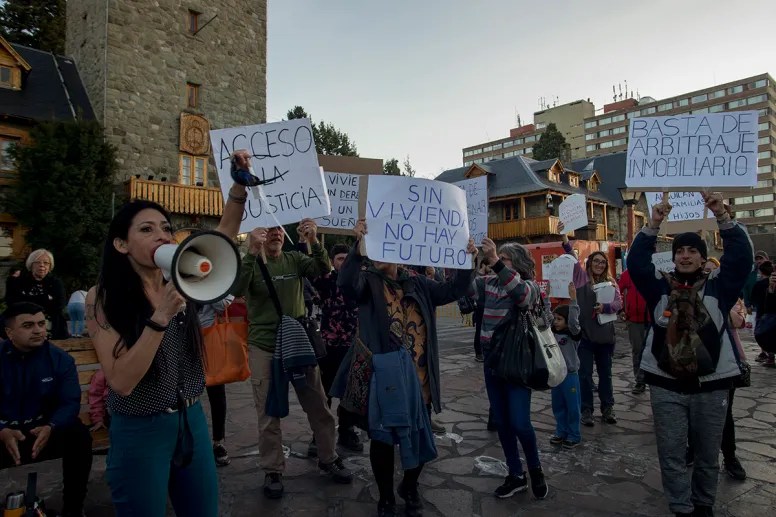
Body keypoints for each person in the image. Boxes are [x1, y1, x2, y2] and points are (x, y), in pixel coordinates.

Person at [84, 149, 247, 516]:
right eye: (146, 229)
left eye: (165, 228)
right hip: (140, 429)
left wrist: (238, 188)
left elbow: (221, 239)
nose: (161, 235)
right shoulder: (103, 298)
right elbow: (121, 381)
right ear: (121, 244)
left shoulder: (182, 277)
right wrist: (160, 316)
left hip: (191, 419)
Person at [331, 219, 476, 517]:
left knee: (421, 438)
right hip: (384, 380)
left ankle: (409, 486)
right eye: (377, 247)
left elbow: (454, 289)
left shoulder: (418, 282)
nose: (383, 252)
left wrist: (467, 260)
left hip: (420, 379)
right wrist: (357, 252)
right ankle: (385, 497)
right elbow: (345, 284)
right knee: (383, 440)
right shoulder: (367, 281)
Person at [627, 192, 752, 517]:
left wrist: (722, 216)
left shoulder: (719, 288)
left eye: (692, 250)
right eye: (679, 250)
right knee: (671, 454)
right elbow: (637, 262)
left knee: (709, 455)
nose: (684, 256)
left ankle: (704, 506)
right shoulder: (658, 287)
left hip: (712, 386)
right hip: (665, 386)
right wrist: (653, 224)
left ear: (702, 257)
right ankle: (681, 508)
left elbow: (741, 258)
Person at [232, 218, 353, 500]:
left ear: (283, 235)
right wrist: (250, 252)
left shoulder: (294, 259)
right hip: (264, 345)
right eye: (267, 230)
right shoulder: (249, 260)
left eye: (277, 230)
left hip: (297, 342)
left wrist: (313, 241)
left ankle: (328, 456)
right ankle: (273, 469)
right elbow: (236, 289)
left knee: (318, 404)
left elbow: (322, 269)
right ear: (257, 234)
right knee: (268, 412)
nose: (273, 234)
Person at [472, 238, 549, 501]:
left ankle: (535, 468)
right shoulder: (490, 283)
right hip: (493, 364)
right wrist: (464, 259)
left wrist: (495, 261)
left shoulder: (531, 287)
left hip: (517, 363)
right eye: (497, 258)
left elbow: (522, 297)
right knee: (503, 423)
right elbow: (465, 291)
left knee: (520, 422)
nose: (497, 262)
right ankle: (516, 474)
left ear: (518, 264)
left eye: (504, 259)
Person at [0, 302, 92, 517]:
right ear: (9, 332)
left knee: (79, 437)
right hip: (5, 434)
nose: (38, 330)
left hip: (44, 432)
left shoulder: (61, 359)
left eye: (41, 323)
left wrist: (52, 426)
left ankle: (73, 509)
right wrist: (2, 429)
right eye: (28, 325)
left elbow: (70, 403)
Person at [559, 223, 623, 426]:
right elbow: (570, 252)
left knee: (606, 375)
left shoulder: (612, 283)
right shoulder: (580, 277)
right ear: (589, 264)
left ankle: (608, 408)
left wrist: (604, 307)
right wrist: (563, 235)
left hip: (605, 336)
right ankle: (587, 410)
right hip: (585, 336)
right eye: (596, 261)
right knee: (585, 375)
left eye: (602, 263)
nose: (599, 265)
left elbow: (619, 303)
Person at [312, 243, 362, 453]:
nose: (343, 262)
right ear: (333, 262)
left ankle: (347, 431)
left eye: (346, 258)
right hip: (329, 346)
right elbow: (315, 272)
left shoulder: (359, 281)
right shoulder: (327, 281)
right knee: (324, 393)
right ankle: (319, 436)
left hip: (353, 345)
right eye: (340, 259)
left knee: (349, 392)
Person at [198, 295, 235, 467]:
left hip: (209, 336)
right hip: (181, 337)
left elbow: (223, 305)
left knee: (216, 392)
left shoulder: (212, 275)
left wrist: (206, 286)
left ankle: (218, 442)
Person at [6, 249, 68, 339]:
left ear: (50, 266)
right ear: (31, 264)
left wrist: (28, 300)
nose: (42, 265)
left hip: (54, 329)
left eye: (46, 263)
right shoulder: (17, 281)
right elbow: (12, 303)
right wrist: (45, 299)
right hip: (22, 323)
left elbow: (59, 304)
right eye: (37, 262)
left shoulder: (56, 282)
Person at [550, 283, 582, 449]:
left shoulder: (573, 335)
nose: (556, 322)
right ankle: (561, 431)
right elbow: (545, 317)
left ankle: (574, 434)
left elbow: (574, 321)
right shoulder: (552, 334)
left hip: (570, 375)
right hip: (557, 376)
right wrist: (547, 296)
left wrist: (573, 300)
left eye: (559, 319)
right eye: (555, 319)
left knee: (572, 406)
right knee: (558, 406)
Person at [618, 267, 649, 394]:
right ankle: (640, 381)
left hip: (653, 319)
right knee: (637, 351)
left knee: (654, 351)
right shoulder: (627, 274)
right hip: (634, 319)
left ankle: (656, 380)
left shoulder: (653, 271)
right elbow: (617, 292)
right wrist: (621, 310)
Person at [750, 260, 775, 366]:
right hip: (767, 313)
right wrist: (771, 289)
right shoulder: (767, 284)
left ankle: (769, 356)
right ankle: (769, 356)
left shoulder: (759, 283)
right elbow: (769, 304)